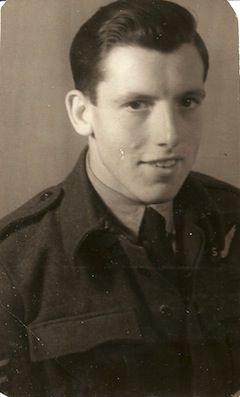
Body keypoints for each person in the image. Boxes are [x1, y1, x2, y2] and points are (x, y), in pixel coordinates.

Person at [0, 0, 239, 396]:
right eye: (136, 104)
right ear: (82, 113)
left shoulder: (234, 217)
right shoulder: (12, 266)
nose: (170, 134)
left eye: (187, 102)